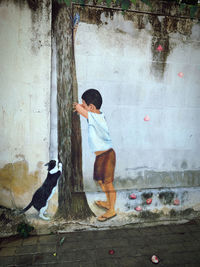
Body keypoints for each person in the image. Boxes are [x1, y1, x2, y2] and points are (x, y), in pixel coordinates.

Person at [73, 89, 116, 222]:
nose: (82, 105)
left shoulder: (96, 117)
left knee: (108, 183)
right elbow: (82, 109)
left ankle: (112, 210)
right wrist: (82, 105)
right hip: (100, 156)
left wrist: (77, 106)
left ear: (91, 107)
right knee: (100, 181)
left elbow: (80, 110)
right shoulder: (94, 115)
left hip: (107, 155)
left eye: (84, 103)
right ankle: (109, 202)